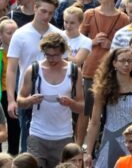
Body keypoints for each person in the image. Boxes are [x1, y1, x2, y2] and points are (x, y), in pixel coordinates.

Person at [6, 0, 64, 153]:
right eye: (43, 11)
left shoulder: (59, 35)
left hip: (54, 98)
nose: (46, 16)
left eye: (51, 13)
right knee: (28, 148)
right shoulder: (20, 34)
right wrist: (11, 100)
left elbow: (66, 65)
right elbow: (11, 69)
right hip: (28, 97)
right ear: (35, 8)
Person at [17, 33, 84, 168]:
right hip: (38, 133)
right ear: (43, 52)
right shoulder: (34, 70)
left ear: (63, 52)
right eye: (48, 55)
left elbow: (81, 106)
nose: (52, 59)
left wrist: (70, 103)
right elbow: (20, 100)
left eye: (57, 55)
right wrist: (30, 100)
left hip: (64, 135)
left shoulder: (74, 70)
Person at [77, 0, 130, 144]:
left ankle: (103, 142)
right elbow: (77, 39)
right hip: (90, 68)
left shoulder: (123, 18)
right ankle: (80, 145)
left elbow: (125, 46)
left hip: (112, 71)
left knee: (108, 110)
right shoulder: (90, 14)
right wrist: (93, 41)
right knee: (87, 110)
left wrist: (110, 45)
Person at [85, 48, 132, 168]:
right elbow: (94, 122)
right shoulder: (102, 89)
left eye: (130, 61)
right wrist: (88, 152)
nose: (126, 64)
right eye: (123, 61)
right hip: (108, 141)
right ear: (114, 63)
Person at [0, 19, 21, 155]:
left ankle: (13, 154)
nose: (13, 35)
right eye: (9, 33)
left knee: (14, 125)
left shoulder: (21, 53)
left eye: (15, 32)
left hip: (13, 92)